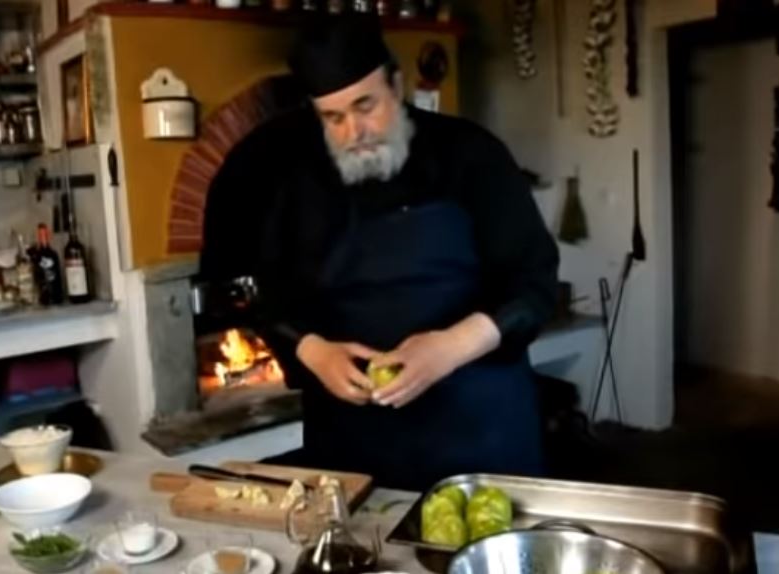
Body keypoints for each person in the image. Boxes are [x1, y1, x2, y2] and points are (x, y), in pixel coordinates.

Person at [200, 14, 559, 490]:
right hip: (354, 442)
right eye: (333, 118)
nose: (354, 131)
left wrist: (450, 347)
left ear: (397, 84)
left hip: (479, 430)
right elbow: (264, 297)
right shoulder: (292, 181)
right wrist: (313, 351)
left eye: (365, 105)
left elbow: (534, 285)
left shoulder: (472, 154)